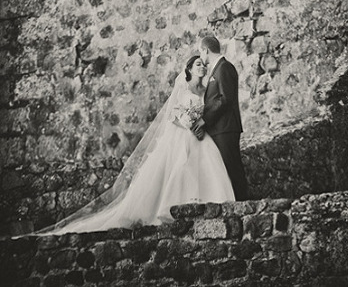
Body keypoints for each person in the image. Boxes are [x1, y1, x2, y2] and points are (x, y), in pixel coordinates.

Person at [34, 56, 235, 235]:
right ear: (189, 69)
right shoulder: (183, 88)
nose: (202, 67)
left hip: (200, 135)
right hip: (182, 134)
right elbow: (173, 116)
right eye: (197, 64)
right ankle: (169, 208)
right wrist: (188, 124)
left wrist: (200, 124)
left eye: (203, 65)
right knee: (180, 167)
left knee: (205, 167)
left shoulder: (206, 90)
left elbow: (209, 111)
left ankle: (205, 205)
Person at [193, 35, 249, 201]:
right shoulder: (217, 69)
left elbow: (225, 99)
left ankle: (243, 203)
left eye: (200, 52)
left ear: (206, 50)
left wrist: (205, 119)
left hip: (226, 127)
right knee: (225, 169)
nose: (201, 57)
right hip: (220, 128)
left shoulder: (224, 68)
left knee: (232, 168)